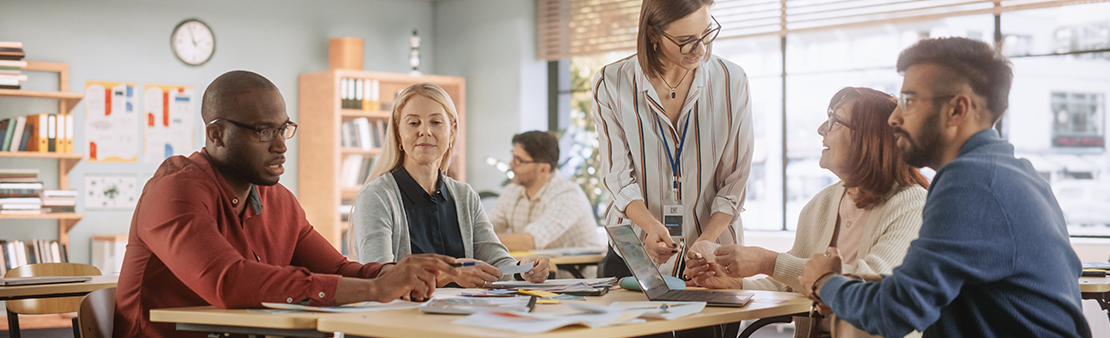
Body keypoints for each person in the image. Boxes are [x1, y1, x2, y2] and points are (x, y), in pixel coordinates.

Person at [114, 71, 458, 338]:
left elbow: (336, 270)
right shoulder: (174, 191)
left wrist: (395, 274)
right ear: (216, 134)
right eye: (264, 131)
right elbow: (229, 282)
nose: (281, 145)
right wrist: (374, 289)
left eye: (284, 129)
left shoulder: (278, 199)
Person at [798, 37, 1091, 337]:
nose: (894, 118)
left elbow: (896, 312)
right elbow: (925, 290)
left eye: (909, 102)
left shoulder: (970, 184)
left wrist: (825, 283)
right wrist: (853, 287)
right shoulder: (1013, 172)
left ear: (957, 109)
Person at [685, 87, 929, 338]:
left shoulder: (912, 205)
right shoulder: (821, 203)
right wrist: (736, 285)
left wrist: (768, 261)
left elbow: (870, 285)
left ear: (869, 138)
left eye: (835, 121)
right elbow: (793, 283)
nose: (822, 129)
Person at [591, 0, 754, 279]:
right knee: (634, 324)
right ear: (653, 34)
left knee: (707, 323)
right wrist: (651, 225)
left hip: (711, 253)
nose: (701, 50)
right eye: (685, 41)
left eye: (706, 33)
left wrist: (707, 239)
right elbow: (618, 177)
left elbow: (734, 181)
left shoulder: (731, 80)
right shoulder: (612, 82)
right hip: (633, 247)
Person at [351, 83, 550, 288]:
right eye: (413, 123)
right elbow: (378, 277)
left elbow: (496, 263)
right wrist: (449, 274)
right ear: (398, 135)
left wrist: (522, 269)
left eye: (436, 122)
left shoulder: (465, 196)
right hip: (403, 317)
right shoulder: (376, 196)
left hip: (465, 314)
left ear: (452, 132)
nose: (425, 131)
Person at [490, 130, 602, 252]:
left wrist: (479, 240)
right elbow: (487, 228)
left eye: (519, 160)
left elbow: (528, 243)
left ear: (544, 168)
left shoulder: (568, 195)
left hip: (570, 269)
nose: (511, 164)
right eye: (513, 156)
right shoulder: (513, 191)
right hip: (533, 269)